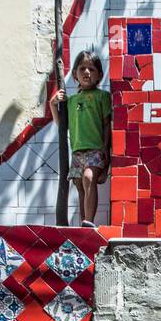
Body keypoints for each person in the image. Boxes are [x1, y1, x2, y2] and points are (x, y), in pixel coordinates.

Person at [50, 50, 112, 227]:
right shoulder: (71, 100)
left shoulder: (102, 96)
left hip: (96, 149)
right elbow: (62, 125)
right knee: (80, 185)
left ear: (99, 75)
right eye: (82, 68)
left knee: (88, 178)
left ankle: (88, 220)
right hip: (78, 151)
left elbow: (107, 124)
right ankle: (85, 224)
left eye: (91, 69)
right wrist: (53, 105)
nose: (87, 72)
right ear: (75, 74)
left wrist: (105, 148)